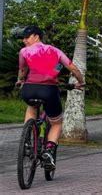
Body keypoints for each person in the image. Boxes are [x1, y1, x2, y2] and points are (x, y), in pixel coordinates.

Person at [17, 25, 85, 170]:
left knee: (31, 106)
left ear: (36, 36)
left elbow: (23, 70)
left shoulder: (24, 52)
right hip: (49, 90)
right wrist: (81, 82)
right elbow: (72, 69)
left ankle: (28, 140)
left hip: (29, 89)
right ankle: (48, 151)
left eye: (27, 37)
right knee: (57, 123)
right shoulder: (55, 52)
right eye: (23, 38)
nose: (24, 41)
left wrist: (20, 80)